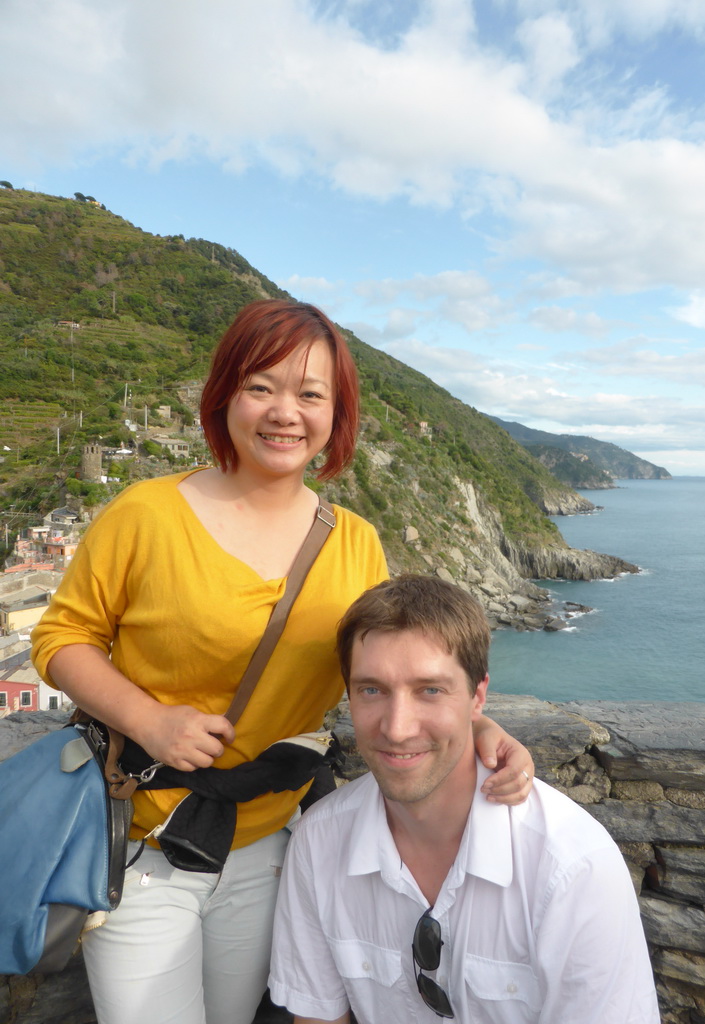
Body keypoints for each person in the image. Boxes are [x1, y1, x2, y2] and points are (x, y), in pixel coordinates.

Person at [31, 300, 534, 1024]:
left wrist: (476, 734)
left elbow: (393, 669)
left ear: (337, 413)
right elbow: (60, 639)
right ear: (226, 394)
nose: (285, 413)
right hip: (141, 840)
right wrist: (149, 718)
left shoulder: (354, 542)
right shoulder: (144, 514)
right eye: (261, 386)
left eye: (310, 394)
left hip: (268, 843)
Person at [269, 574, 661, 1024]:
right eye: (372, 690)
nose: (397, 728)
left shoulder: (573, 868)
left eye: (430, 690)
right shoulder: (319, 843)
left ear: (478, 697)